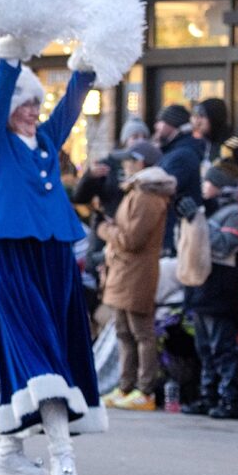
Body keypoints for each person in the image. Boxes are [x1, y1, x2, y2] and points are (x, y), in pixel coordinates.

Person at [0, 56, 108, 475]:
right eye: (23, 104)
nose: (32, 112)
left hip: (55, 252)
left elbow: (69, 108)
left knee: (56, 343)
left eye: (35, 104)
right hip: (11, 253)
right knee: (37, 348)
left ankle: (8, 453)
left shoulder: (45, 142)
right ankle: (62, 455)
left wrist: (86, 69)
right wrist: (10, 61)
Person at [96, 140, 173, 412]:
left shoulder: (148, 196)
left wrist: (105, 230)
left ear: (140, 163)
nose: (124, 164)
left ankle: (145, 389)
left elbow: (132, 239)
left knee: (141, 332)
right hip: (124, 270)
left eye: (129, 160)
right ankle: (126, 385)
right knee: (123, 331)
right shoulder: (137, 190)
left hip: (137, 271)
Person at [183, 165, 238, 419]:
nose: (203, 187)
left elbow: (226, 245)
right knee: (205, 348)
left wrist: (200, 223)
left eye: (207, 182)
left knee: (222, 347)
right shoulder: (212, 211)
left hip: (222, 293)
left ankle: (229, 399)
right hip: (205, 290)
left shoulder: (237, 212)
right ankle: (208, 396)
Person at [152, 103, 204, 248]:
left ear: (172, 124)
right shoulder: (174, 152)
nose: (156, 126)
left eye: (161, 122)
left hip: (175, 235)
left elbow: (161, 188)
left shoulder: (181, 155)